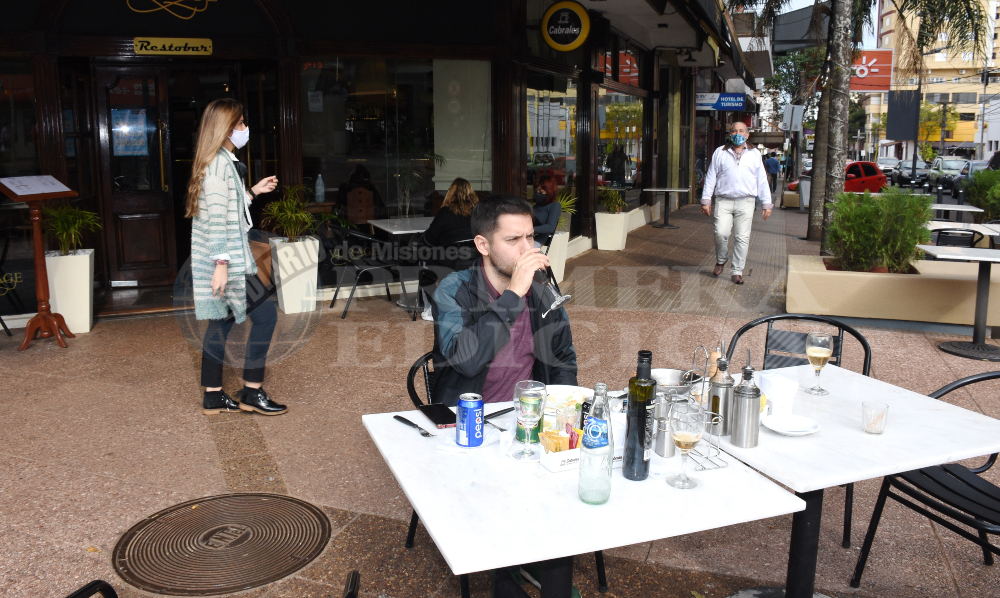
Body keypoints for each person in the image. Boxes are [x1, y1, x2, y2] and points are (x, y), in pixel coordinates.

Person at [186, 98, 286, 416]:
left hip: (225, 260)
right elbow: (218, 221)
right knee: (266, 317)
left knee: (220, 321)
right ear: (227, 129)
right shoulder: (219, 166)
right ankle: (252, 392)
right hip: (230, 262)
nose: (245, 128)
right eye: (241, 123)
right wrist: (221, 265)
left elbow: (228, 207)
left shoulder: (219, 162)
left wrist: (252, 191)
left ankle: (213, 395)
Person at [429, 194, 577, 405]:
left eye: (530, 237)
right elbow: (466, 361)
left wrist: (564, 408)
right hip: (468, 416)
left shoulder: (541, 290)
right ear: (483, 245)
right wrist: (513, 295)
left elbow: (562, 360)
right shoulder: (453, 290)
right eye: (513, 240)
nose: (528, 249)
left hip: (527, 414)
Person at [700, 121, 772, 285]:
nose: (738, 134)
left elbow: (762, 180)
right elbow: (711, 176)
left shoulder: (754, 154)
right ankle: (721, 259)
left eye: (741, 131)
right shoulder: (720, 152)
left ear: (747, 135)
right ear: (730, 134)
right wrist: (706, 200)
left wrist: (766, 204)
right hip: (723, 201)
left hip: (746, 201)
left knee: (742, 237)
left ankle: (737, 271)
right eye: (734, 131)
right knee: (720, 232)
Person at [417, 177, 480, 321]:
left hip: (449, 262)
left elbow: (428, 240)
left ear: (450, 194)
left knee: (424, 261)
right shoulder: (480, 213)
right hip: (477, 262)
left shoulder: (446, 212)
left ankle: (432, 309)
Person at [531, 174, 561, 248]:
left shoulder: (554, 205)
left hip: (536, 241)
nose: (537, 194)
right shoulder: (536, 206)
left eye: (541, 192)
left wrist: (529, 230)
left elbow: (550, 227)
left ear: (549, 192)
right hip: (525, 238)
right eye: (536, 191)